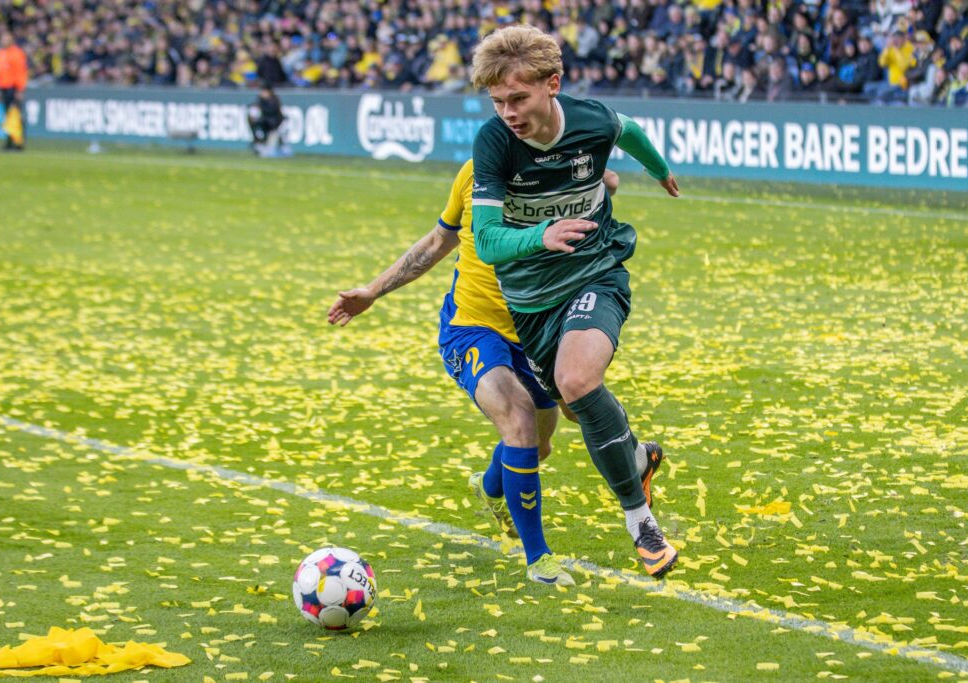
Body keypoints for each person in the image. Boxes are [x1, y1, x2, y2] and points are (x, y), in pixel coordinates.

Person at [327, 161, 665, 587]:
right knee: (518, 422)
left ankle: (490, 488)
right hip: (472, 327)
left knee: (544, 441)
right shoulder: (475, 174)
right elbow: (438, 240)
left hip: (537, 327)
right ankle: (539, 559)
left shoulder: (560, 166)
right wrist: (372, 291)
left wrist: (600, 178)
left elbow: (608, 180)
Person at [469, 24, 681, 580]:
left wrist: (659, 171)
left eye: (518, 98)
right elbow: (488, 242)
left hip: (595, 270)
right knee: (572, 402)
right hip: (531, 302)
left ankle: (642, 525)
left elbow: (628, 130)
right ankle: (638, 457)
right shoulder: (495, 142)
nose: (508, 112)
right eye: (498, 102)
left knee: (578, 381)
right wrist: (541, 236)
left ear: (552, 84)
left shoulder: (589, 119)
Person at [0, 33, 28, 151]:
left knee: (15, 115)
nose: (3, 41)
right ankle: (9, 141)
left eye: (6, 39)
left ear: (11, 40)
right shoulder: (0, 53)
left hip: (13, 88)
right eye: (2, 39)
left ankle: (18, 142)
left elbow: (21, 72)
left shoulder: (17, 53)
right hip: (4, 87)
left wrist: (20, 89)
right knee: (7, 116)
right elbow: (0, 72)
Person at [247, 84, 286, 156]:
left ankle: (265, 144)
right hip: (265, 123)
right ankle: (258, 142)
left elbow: (273, 113)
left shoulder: (274, 100)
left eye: (264, 91)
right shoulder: (260, 100)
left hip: (274, 123)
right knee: (255, 124)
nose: (262, 93)